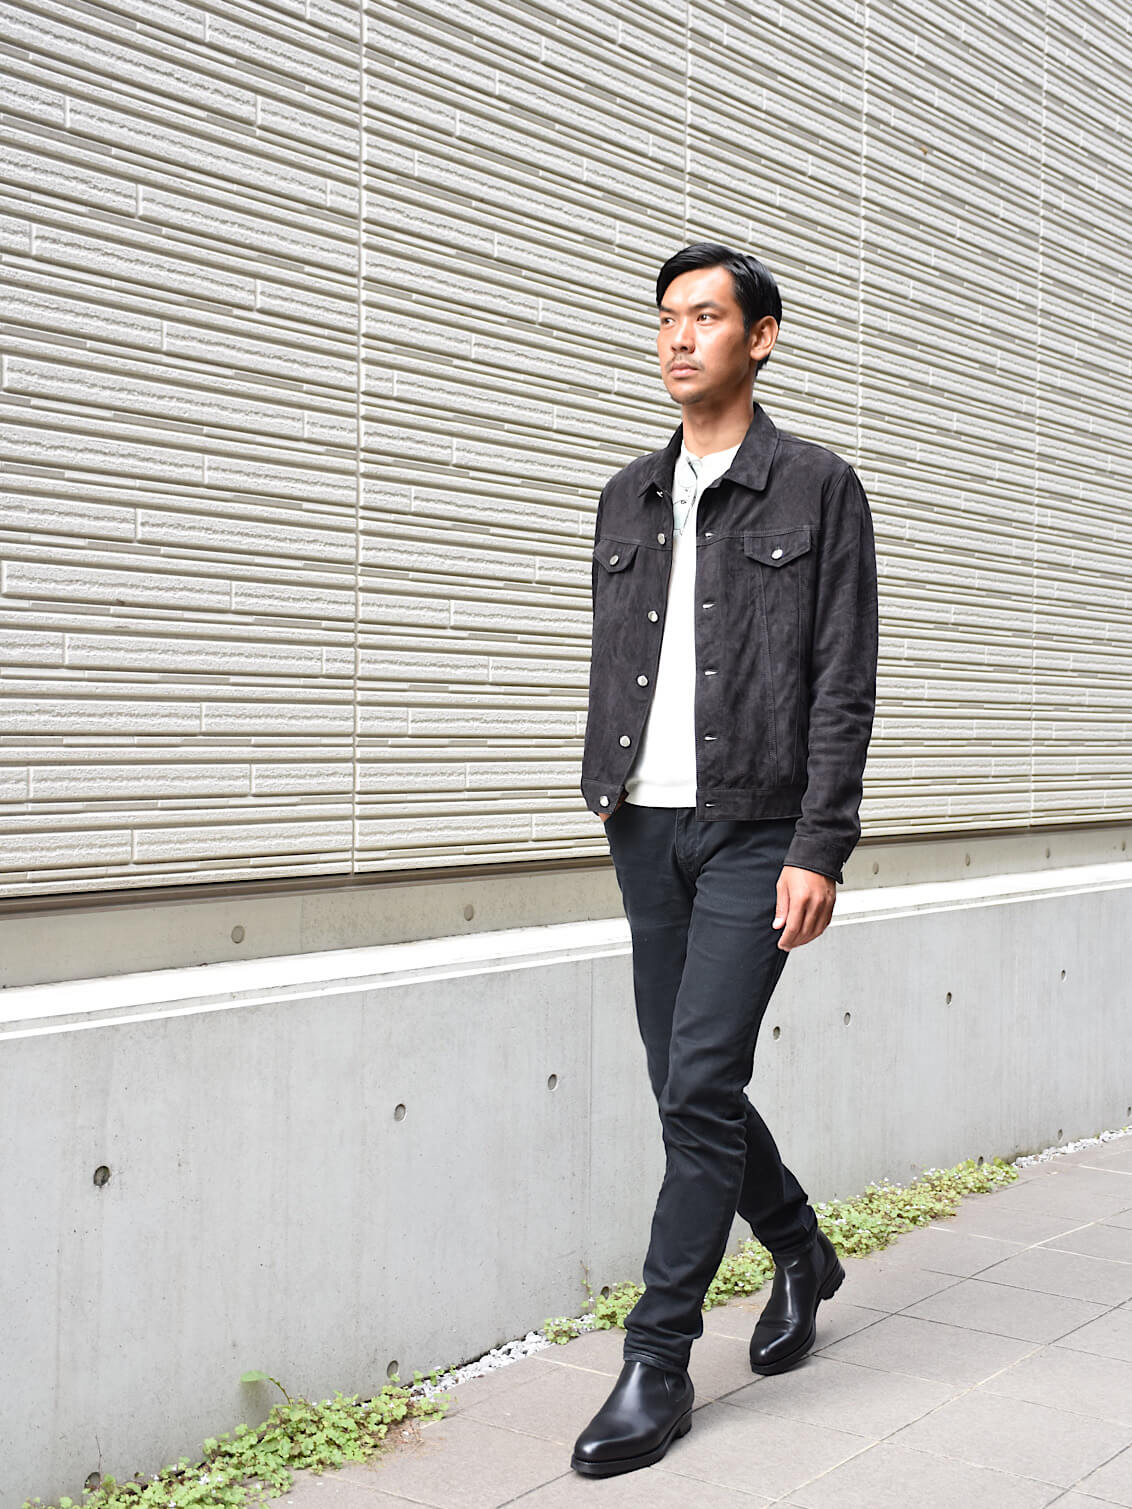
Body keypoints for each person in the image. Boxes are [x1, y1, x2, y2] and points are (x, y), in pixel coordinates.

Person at [571, 242, 879, 1478]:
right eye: (664, 319)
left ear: (759, 337)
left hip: (758, 829)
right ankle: (799, 1246)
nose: (677, 338)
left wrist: (820, 843)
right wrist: (610, 792)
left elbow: (841, 680)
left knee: (699, 1082)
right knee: (683, 1086)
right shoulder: (625, 496)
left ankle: (657, 1360)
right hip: (644, 826)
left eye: (704, 317)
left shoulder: (817, 487)